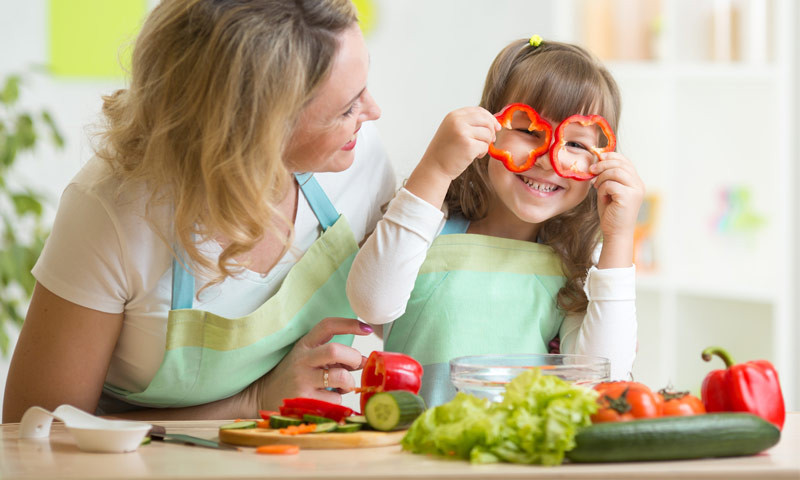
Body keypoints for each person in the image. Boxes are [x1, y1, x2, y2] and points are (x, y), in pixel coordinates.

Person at [3, 0, 396, 423]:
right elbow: (35, 429)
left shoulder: (358, 158)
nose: (373, 112)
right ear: (254, 130)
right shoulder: (112, 211)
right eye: (346, 109)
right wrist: (253, 402)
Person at [346, 37, 644, 406]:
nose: (549, 159)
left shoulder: (574, 264)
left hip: (517, 459)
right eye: (530, 132)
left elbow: (605, 379)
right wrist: (436, 168)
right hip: (409, 453)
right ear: (489, 128)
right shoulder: (430, 225)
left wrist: (619, 238)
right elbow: (371, 304)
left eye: (577, 145)